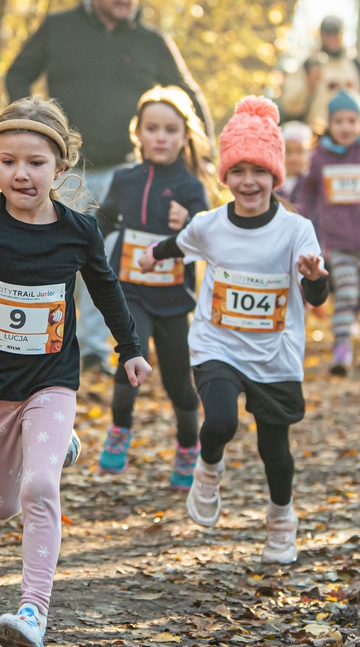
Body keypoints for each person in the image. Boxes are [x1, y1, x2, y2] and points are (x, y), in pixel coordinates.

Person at [0, 98, 151, 647]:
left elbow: (107, 289)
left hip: (52, 382)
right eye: (9, 161)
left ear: (59, 168)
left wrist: (130, 349)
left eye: (36, 163)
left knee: (39, 488)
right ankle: (58, 446)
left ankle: (32, 615)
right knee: (1, 505)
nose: (22, 174)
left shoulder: (78, 231)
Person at [135, 97, 328, 564]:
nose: (248, 181)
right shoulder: (211, 225)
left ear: (274, 176)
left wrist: (315, 278)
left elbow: (317, 294)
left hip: (274, 354)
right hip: (217, 345)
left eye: (259, 171)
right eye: (238, 171)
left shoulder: (296, 230)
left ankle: (281, 521)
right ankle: (207, 469)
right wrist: (152, 256)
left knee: (273, 448)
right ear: (225, 176)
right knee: (221, 421)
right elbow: (179, 243)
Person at [4, 0, 210, 376]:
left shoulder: (151, 41)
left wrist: (204, 156)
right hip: (64, 172)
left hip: (124, 171)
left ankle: (96, 351)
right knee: (57, 254)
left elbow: (186, 92)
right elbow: (17, 73)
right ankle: (46, 343)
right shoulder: (59, 28)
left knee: (106, 260)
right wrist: (31, 125)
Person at [94, 87, 213, 486]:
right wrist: (75, 242)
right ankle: (119, 430)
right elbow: (104, 220)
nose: (161, 137)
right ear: (138, 133)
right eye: (152, 128)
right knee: (132, 357)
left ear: (184, 136)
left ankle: (188, 448)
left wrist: (188, 221)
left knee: (179, 382)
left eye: (170, 130)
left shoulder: (190, 186)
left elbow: (207, 237)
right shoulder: (124, 178)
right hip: (130, 290)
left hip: (173, 298)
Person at [292, 90, 360, 376]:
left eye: (352, 121)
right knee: (346, 294)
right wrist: (298, 220)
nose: (345, 127)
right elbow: (309, 195)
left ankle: (353, 310)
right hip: (338, 244)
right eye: (338, 121)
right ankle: (341, 349)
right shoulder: (321, 158)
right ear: (329, 123)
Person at [279, 15, 360, 127]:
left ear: (342, 34)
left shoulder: (358, 67)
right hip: (317, 132)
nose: (332, 38)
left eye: (335, 33)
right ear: (321, 35)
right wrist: (308, 86)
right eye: (327, 33)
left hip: (352, 133)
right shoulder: (308, 65)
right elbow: (290, 107)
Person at [279, 121, 313, 202]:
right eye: (288, 151)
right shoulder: (275, 184)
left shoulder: (311, 183)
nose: (293, 158)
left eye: (299, 151)